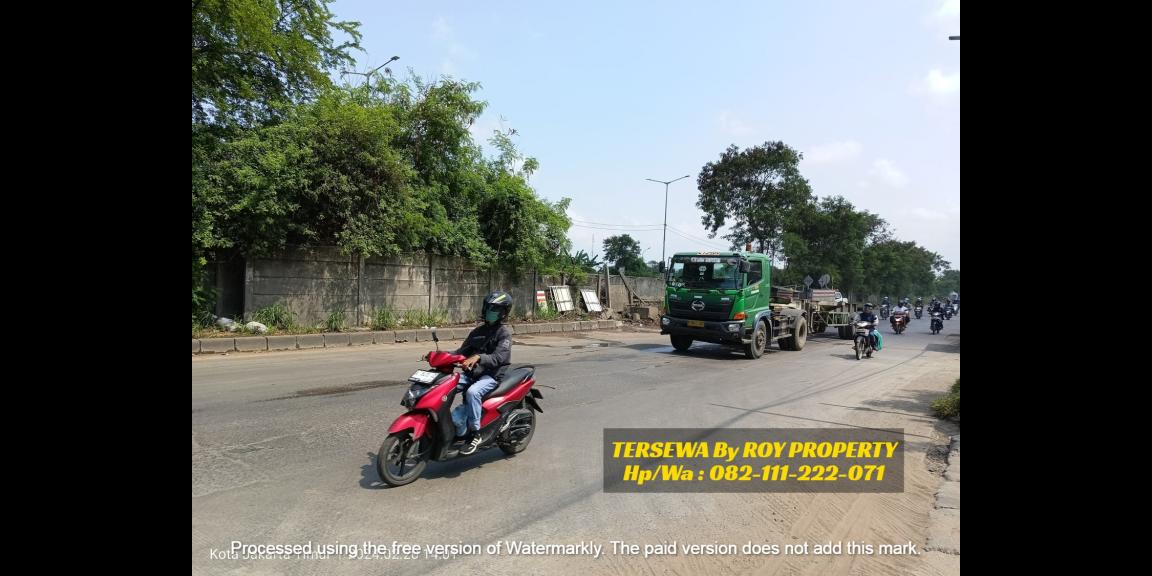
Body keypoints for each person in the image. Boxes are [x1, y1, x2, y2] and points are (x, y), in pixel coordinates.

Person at [450, 290, 514, 455]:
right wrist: (440, 356)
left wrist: (478, 357)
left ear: (503, 313)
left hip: (492, 375)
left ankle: (475, 434)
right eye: (489, 308)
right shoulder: (477, 332)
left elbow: (499, 357)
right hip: (473, 373)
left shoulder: (504, 333)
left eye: (495, 309)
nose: (490, 312)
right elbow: (462, 351)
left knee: (472, 392)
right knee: (446, 384)